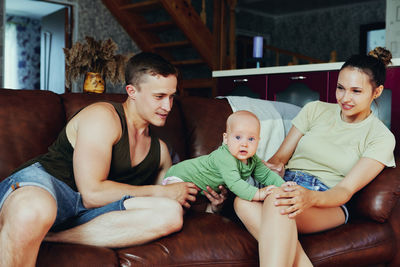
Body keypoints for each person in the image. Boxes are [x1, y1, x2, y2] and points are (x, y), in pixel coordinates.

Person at [0, 52, 226, 267]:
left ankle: (52, 237)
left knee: (171, 214)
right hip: (48, 187)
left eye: (171, 97)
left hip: (92, 215)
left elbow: (167, 201)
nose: (167, 106)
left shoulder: (161, 151)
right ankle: (34, 227)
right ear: (132, 91)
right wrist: (161, 192)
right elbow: (92, 193)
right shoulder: (103, 117)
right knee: (34, 209)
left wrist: (212, 209)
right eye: (159, 97)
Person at [233, 46, 396, 267]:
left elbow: (345, 190)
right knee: (242, 202)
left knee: (278, 202)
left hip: (328, 201)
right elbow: (280, 157)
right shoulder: (315, 110)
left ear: (376, 92)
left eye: (356, 91)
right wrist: (272, 167)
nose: (345, 98)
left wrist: (309, 197)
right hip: (286, 184)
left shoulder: (381, 137)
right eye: (340, 88)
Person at [163, 110, 295, 212]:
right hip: (180, 176)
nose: (244, 144)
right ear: (226, 139)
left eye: (251, 139)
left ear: (258, 141)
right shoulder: (225, 157)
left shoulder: (252, 160)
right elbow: (235, 183)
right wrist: (259, 194)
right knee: (176, 208)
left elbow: (266, 175)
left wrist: (283, 185)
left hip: (198, 190)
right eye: (238, 137)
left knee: (193, 205)